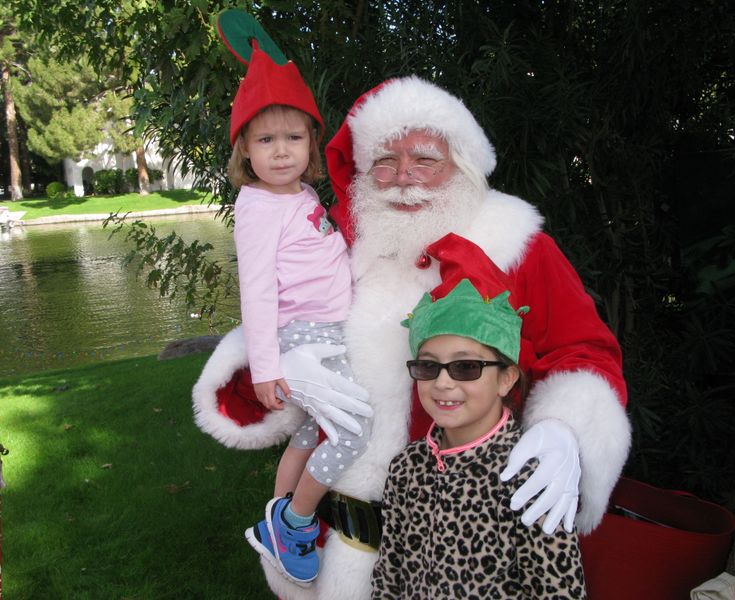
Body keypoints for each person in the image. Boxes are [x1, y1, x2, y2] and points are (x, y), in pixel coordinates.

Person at [194, 75, 631, 600]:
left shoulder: (517, 245)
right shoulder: (341, 237)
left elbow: (583, 348)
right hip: (340, 545)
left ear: (462, 164)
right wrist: (283, 361)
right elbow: (275, 305)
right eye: (384, 160)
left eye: (424, 159)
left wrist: (568, 428)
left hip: (462, 545)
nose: (403, 177)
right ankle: (290, 529)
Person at [214, 16, 373, 587]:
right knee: (356, 431)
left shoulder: (302, 193)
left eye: (293, 137)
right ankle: (296, 521)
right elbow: (256, 290)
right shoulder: (257, 206)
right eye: (265, 140)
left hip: (327, 337)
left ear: (311, 139)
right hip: (299, 341)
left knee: (312, 433)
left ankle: (275, 529)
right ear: (245, 151)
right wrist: (266, 365)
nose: (281, 152)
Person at [372, 240, 587, 599]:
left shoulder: (529, 477)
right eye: (428, 366)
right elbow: (388, 575)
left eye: (466, 367)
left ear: (506, 378)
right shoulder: (406, 468)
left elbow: (558, 590)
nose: (443, 382)